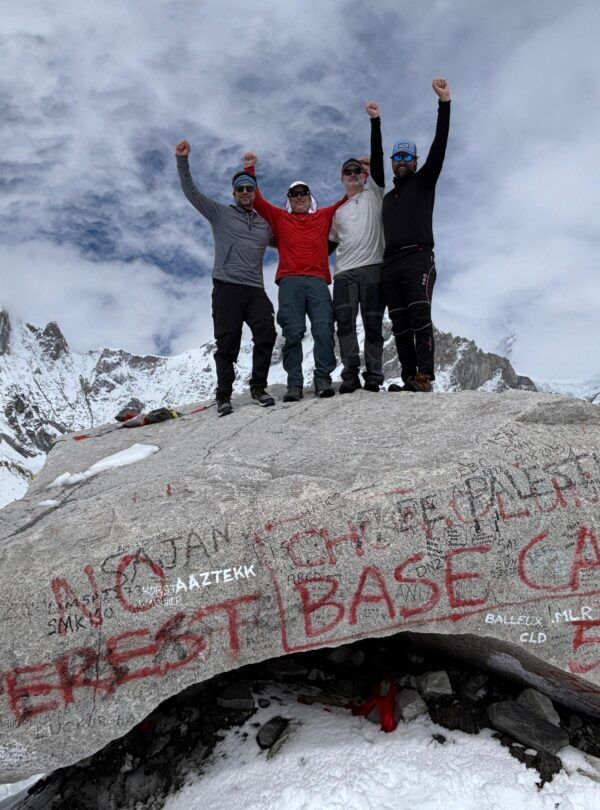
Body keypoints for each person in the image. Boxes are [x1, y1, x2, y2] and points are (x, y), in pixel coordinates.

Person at [175, 140, 277, 417]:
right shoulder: (220, 214)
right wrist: (182, 160)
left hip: (255, 288)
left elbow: (292, 241)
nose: (245, 192)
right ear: (234, 193)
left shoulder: (263, 225)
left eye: (249, 189)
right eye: (241, 189)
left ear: (255, 193)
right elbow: (192, 193)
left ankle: (258, 388)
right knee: (227, 342)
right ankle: (224, 396)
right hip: (226, 286)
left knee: (266, 332)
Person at [242, 152, 346, 401]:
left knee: (323, 329)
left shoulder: (323, 216)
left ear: (310, 198)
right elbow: (257, 202)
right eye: (294, 194)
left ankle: (322, 380)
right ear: (289, 199)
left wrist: (364, 172)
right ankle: (294, 384)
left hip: (318, 281)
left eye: (304, 193)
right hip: (290, 281)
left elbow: (348, 199)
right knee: (293, 331)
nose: (299, 197)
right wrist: (250, 168)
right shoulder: (280, 217)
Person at [381, 78, 451, 393]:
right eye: (397, 158)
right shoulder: (387, 199)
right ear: (392, 163)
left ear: (416, 161)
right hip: (391, 263)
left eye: (407, 157)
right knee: (399, 322)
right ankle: (409, 377)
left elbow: (440, 143)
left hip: (419, 256)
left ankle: (424, 377)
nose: (402, 162)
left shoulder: (424, 183)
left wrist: (444, 104)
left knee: (419, 314)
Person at [329, 101, 386, 394]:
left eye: (356, 170)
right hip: (344, 274)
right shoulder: (336, 212)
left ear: (364, 175)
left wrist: (375, 122)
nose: (352, 174)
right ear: (342, 178)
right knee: (345, 326)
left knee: (374, 324)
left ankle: (374, 374)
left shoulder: (375, 193)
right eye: (347, 171)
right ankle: (350, 373)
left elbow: (377, 158)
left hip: (374, 267)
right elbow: (321, 245)